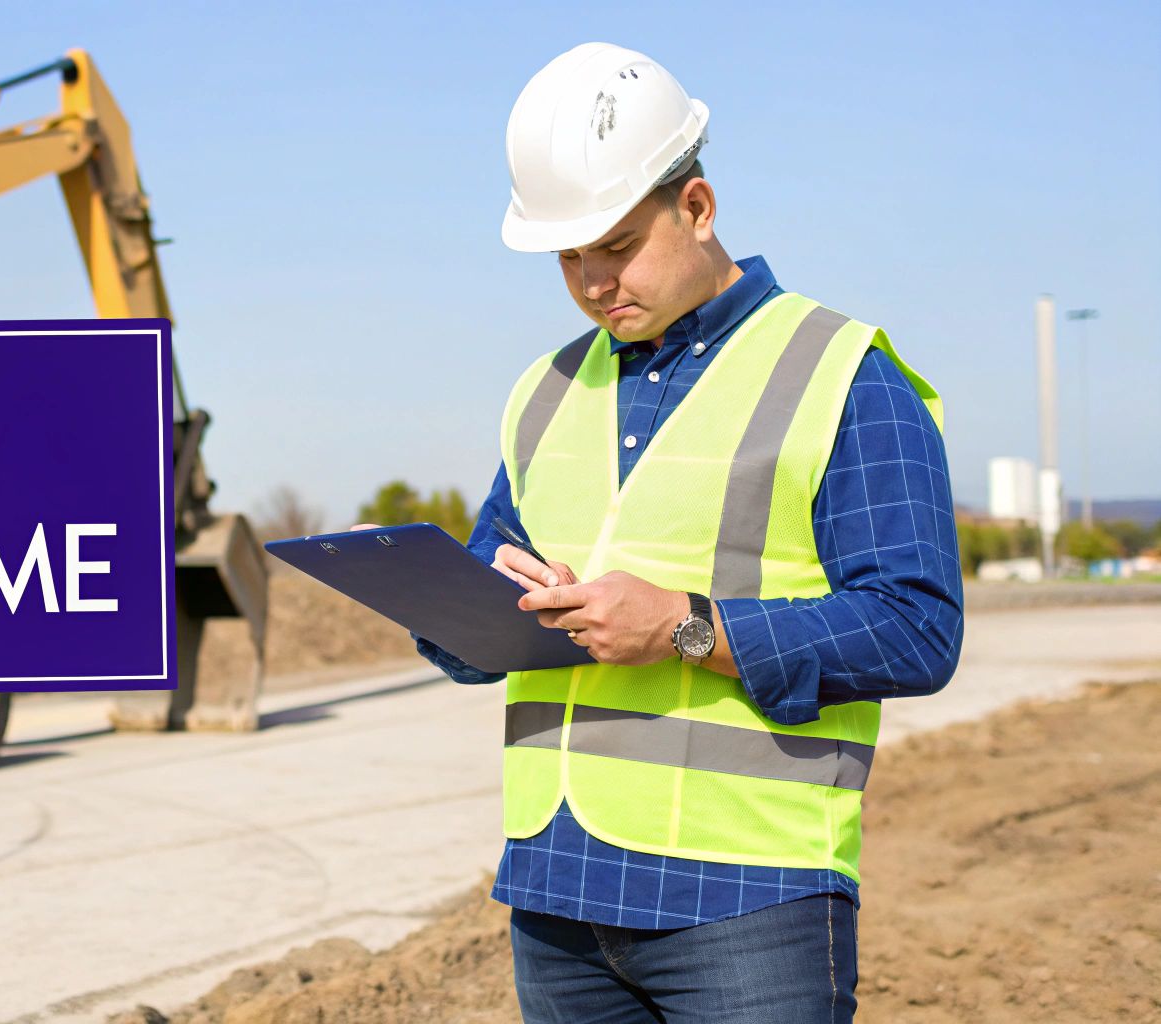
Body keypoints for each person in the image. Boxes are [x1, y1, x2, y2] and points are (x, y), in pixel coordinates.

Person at [409, 42, 964, 1022]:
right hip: (556, 894)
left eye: (615, 246)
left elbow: (915, 629)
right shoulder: (545, 392)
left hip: (749, 898)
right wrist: (450, 604)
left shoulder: (840, 373)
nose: (591, 282)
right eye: (567, 257)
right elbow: (479, 613)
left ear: (697, 207)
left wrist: (683, 626)